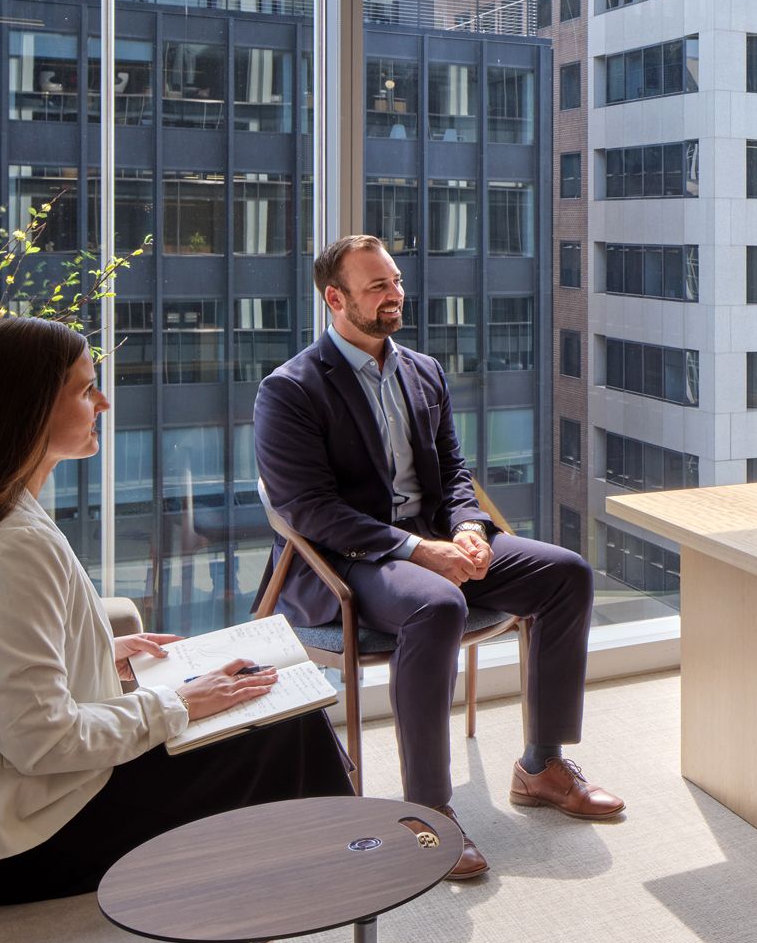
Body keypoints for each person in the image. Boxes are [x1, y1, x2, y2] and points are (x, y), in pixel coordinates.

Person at [0, 316, 352, 908]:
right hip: (1, 853)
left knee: (268, 714)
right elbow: (41, 743)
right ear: (28, 410)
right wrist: (178, 702)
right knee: (284, 728)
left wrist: (98, 654)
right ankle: (317, 891)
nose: (104, 402)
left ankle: (290, 899)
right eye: (86, 389)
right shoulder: (12, 543)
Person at [252, 235, 617, 882]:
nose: (393, 296)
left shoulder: (422, 370)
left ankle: (540, 765)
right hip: (353, 557)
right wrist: (419, 549)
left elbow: (453, 471)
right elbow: (309, 509)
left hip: (437, 539)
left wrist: (469, 527)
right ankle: (427, 811)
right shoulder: (290, 390)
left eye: (394, 282)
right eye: (376, 288)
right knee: (438, 604)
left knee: (566, 573)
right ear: (334, 300)